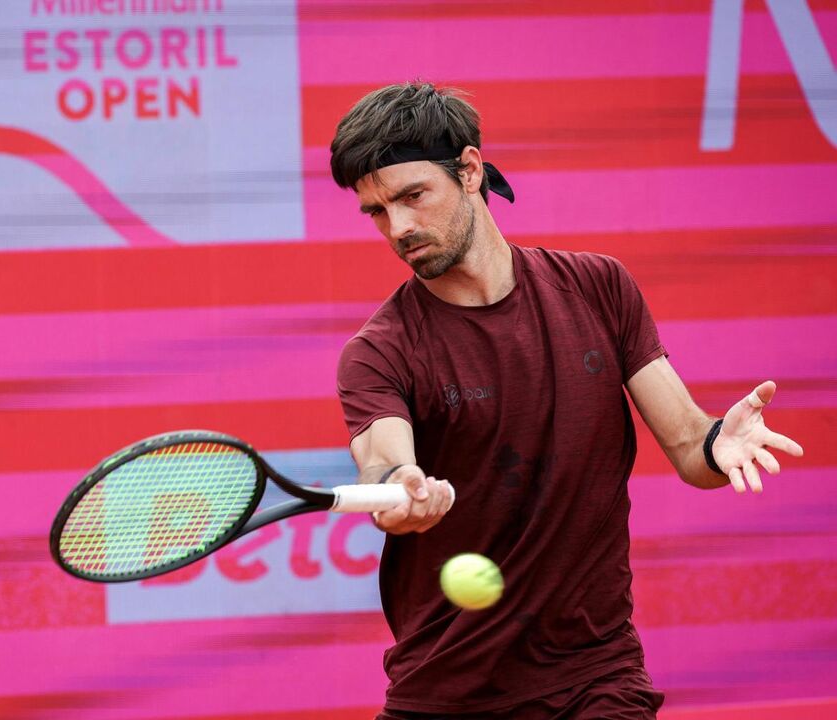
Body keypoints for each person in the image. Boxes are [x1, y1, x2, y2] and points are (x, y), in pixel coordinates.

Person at [330, 82, 804, 719]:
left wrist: (721, 445)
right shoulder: (378, 352)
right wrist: (398, 493)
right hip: (444, 689)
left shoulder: (600, 288)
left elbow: (691, 447)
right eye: (378, 212)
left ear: (469, 170)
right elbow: (383, 464)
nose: (400, 228)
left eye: (413, 196)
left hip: (596, 677)